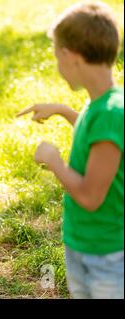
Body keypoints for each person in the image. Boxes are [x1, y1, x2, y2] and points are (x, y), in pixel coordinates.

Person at [17, 2, 123, 298]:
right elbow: (97, 139)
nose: (58, 66)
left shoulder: (111, 113)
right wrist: (63, 111)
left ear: (70, 56)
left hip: (105, 255)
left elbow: (90, 196)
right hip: (84, 243)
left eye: (57, 58)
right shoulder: (102, 103)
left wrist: (55, 162)